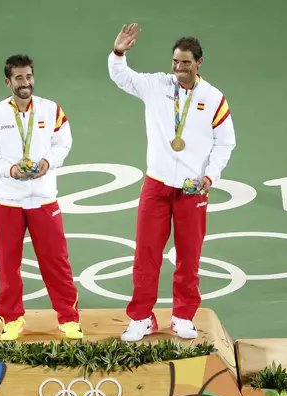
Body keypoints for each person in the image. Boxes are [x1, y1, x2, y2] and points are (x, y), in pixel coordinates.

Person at [107, 24, 236, 342]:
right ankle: (141, 318)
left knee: (189, 256)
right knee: (146, 254)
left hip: (193, 189)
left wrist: (210, 176)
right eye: (175, 62)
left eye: (186, 63)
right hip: (157, 184)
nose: (179, 69)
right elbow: (122, 77)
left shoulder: (214, 99)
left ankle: (183, 316)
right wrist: (118, 53)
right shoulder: (155, 86)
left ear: (199, 63)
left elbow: (226, 143)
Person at [0, 55, 82, 341]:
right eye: (19, 78)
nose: (25, 83)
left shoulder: (51, 110)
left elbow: (63, 143)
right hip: (8, 200)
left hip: (44, 200)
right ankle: (11, 319)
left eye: (29, 77)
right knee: (8, 264)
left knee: (57, 262)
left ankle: (69, 318)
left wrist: (48, 162)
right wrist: (8, 170)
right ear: (8, 82)